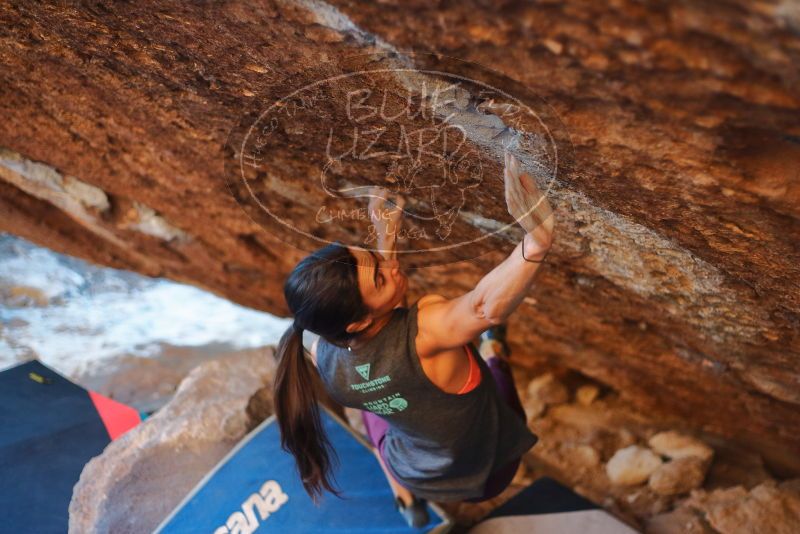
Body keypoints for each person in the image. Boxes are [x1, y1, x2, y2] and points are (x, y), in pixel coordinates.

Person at [273, 151, 555, 527]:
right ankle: (495, 348)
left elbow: (380, 325)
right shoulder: (427, 329)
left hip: (413, 470)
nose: (390, 267)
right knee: (495, 373)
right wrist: (535, 244)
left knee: (374, 410)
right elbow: (484, 310)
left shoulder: (321, 353)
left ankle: (405, 500)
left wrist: (384, 235)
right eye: (379, 276)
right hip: (489, 473)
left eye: (372, 257)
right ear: (354, 323)